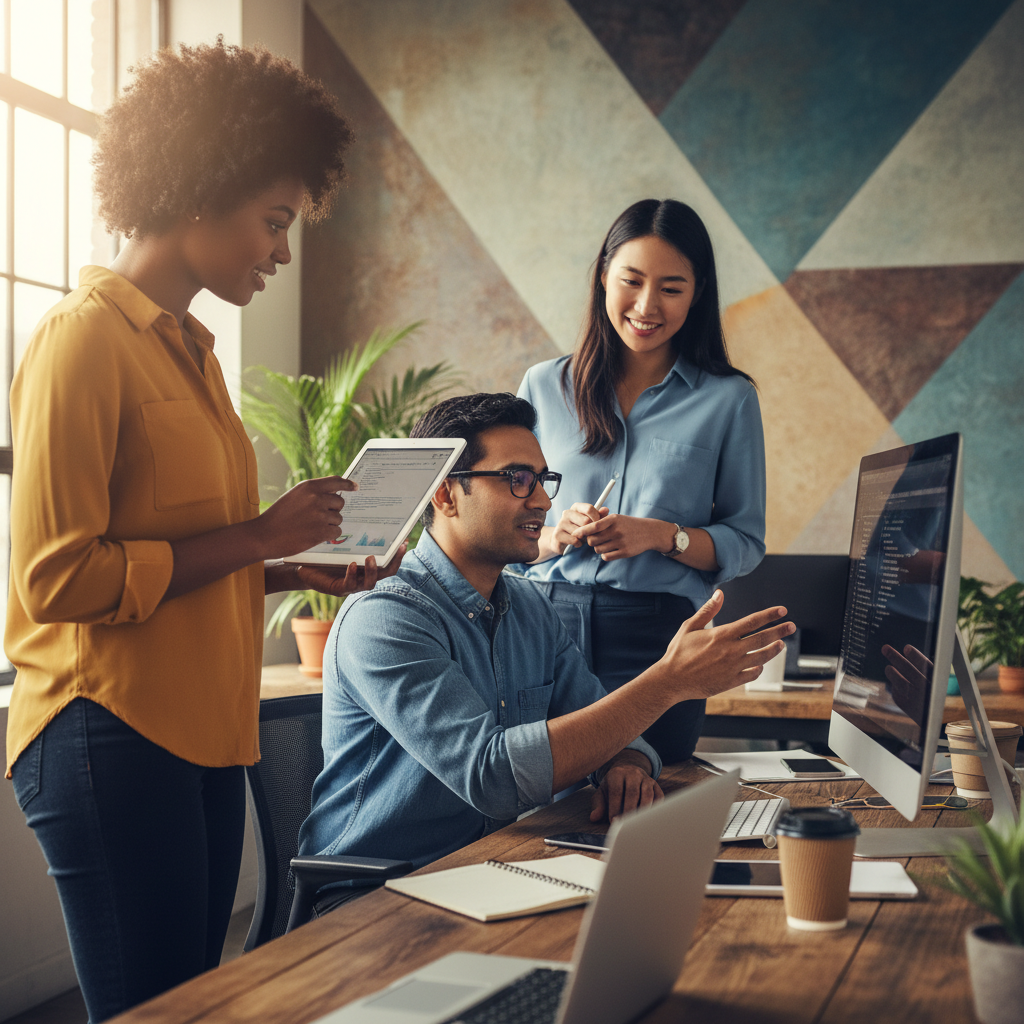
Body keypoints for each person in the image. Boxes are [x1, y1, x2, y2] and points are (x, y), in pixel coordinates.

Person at [4, 41, 400, 1023]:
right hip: (106, 729)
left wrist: (286, 564)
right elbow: (56, 580)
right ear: (198, 193)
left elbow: (178, 559)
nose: (279, 250)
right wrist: (260, 539)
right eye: (272, 222)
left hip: (202, 736)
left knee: (198, 1005)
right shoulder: (80, 339)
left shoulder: (197, 359)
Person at [298, 393, 791, 901]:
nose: (543, 501)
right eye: (517, 479)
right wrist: (668, 683)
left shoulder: (530, 608)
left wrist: (625, 764)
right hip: (375, 894)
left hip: (490, 870)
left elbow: (608, 722)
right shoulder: (385, 616)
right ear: (446, 495)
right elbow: (492, 777)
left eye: (542, 480)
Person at [517, 199, 766, 764]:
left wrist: (662, 536)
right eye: (631, 280)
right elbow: (505, 522)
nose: (647, 306)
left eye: (672, 288)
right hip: (541, 627)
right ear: (604, 275)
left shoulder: (729, 400)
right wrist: (558, 534)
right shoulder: (541, 385)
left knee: (652, 811)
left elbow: (745, 541)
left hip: (661, 644)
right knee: (540, 812)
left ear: (697, 292)